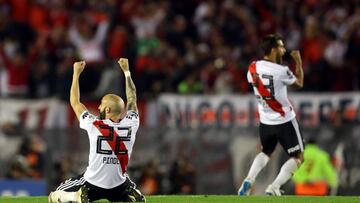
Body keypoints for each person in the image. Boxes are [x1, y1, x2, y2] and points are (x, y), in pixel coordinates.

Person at [48, 58, 145, 203]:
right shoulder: (132, 123)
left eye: (101, 105)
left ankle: (76, 196)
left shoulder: (93, 124)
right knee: (122, 184)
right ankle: (129, 194)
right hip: (118, 185)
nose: (98, 108)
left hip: (92, 184)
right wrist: (126, 72)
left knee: (54, 196)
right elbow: (132, 99)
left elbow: (75, 102)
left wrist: (76, 74)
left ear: (107, 109)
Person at [238, 34, 304, 196]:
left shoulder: (252, 67)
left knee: (266, 152)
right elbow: (299, 83)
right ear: (273, 49)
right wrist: (298, 61)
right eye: (281, 47)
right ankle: (274, 186)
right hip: (284, 120)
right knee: (298, 157)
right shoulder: (282, 70)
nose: (284, 50)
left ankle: (249, 180)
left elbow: (253, 82)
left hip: (265, 121)